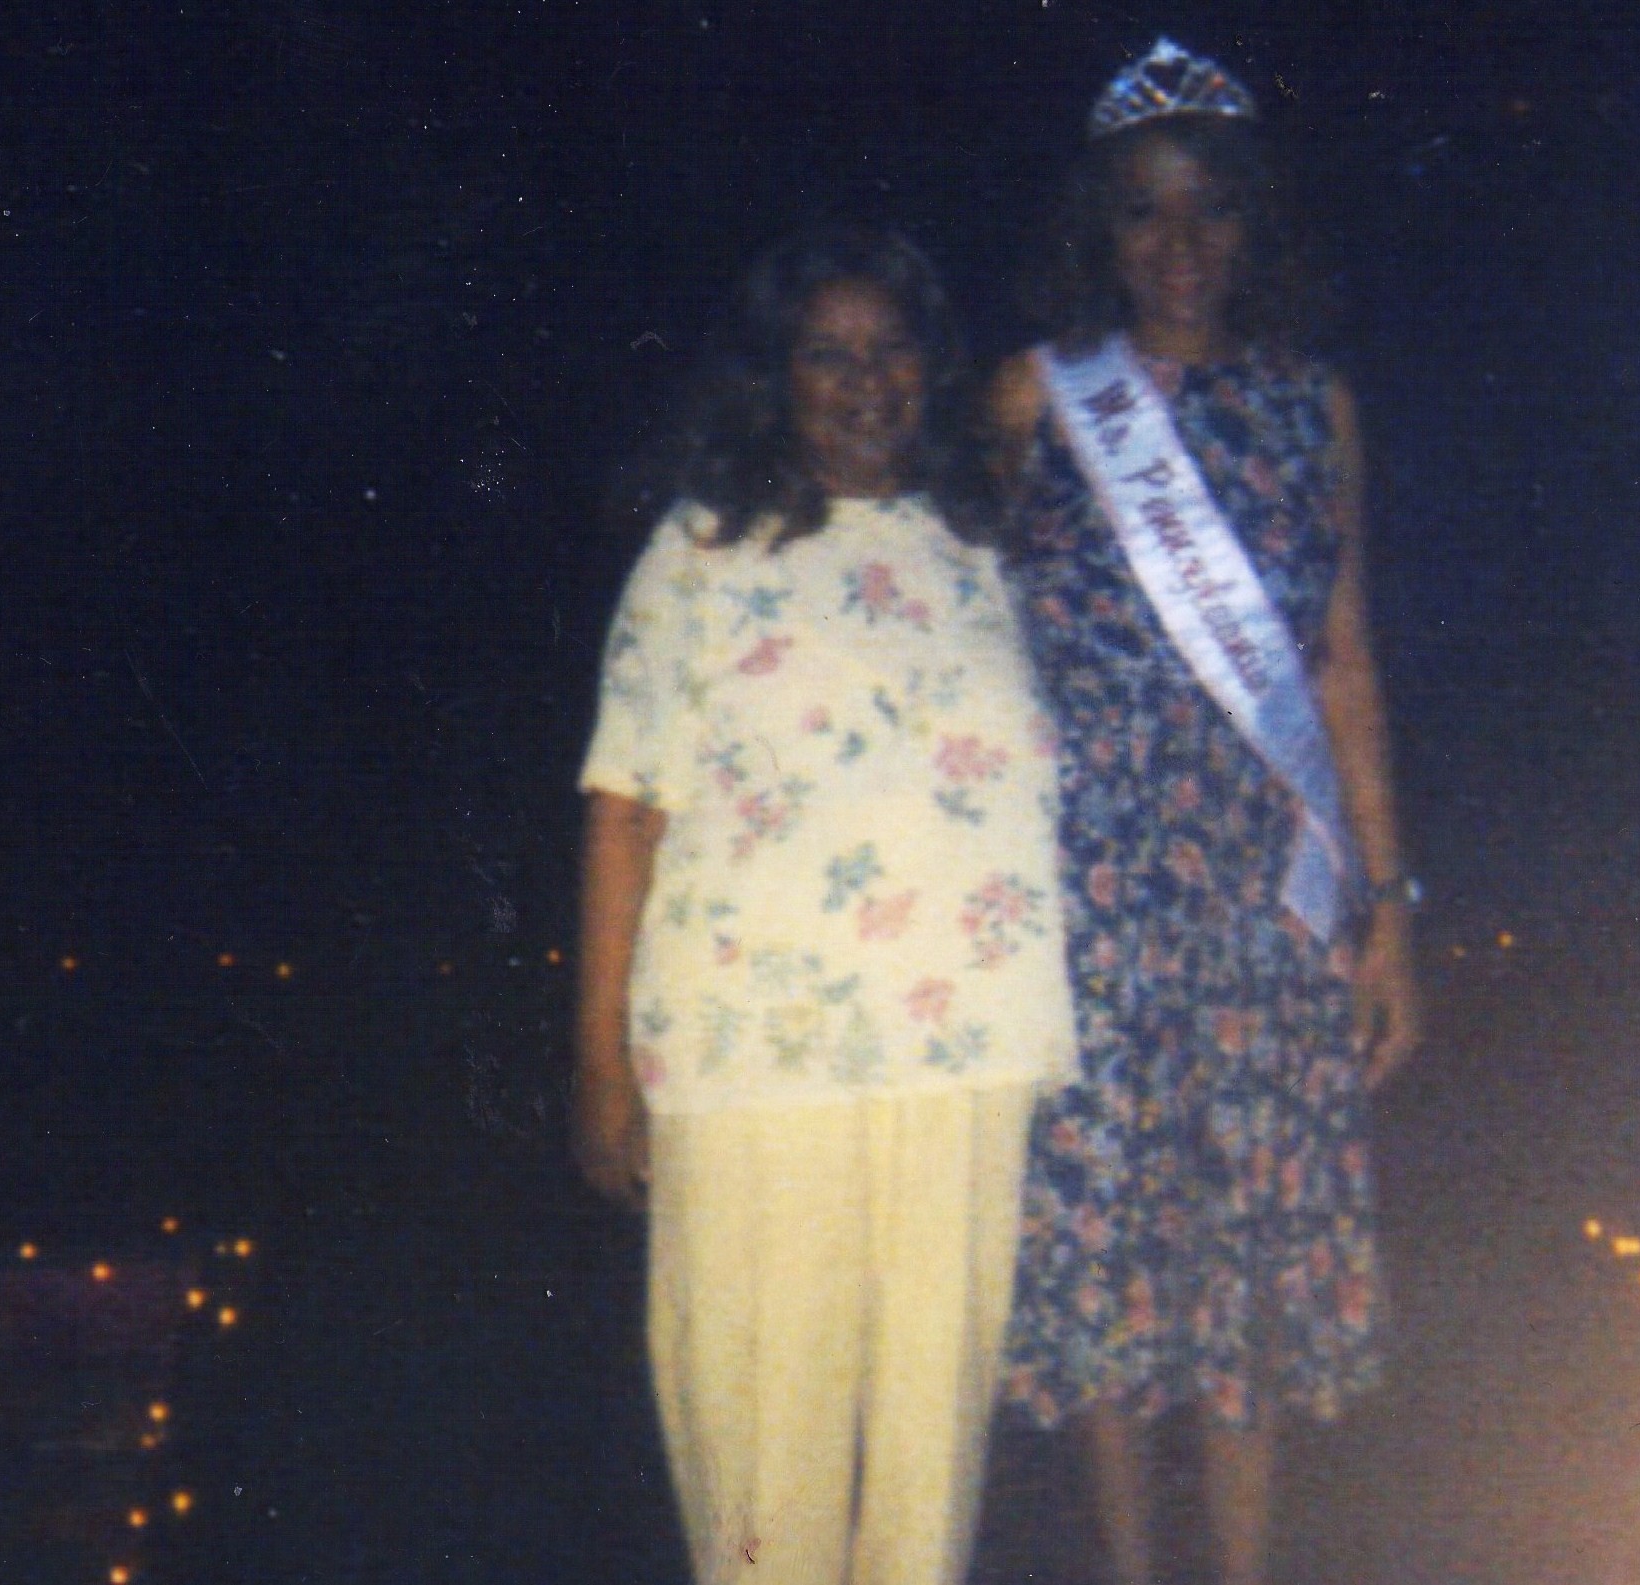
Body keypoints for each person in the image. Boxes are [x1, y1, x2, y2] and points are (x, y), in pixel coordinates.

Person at [571, 225, 1078, 1585]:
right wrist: (597, 1063)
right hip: (751, 1062)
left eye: (892, 345)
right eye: (827, 352)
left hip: (961, 1056)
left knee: (926, 1478)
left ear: (934, 365)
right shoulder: (700, 552)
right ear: (775, 376)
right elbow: (623, 808)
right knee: (759, 1464)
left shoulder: (983, 547)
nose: (865, 378)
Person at [987, 41, 1424, 1585]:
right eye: (1142, 218)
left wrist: (1389, 916)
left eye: (1208, 215)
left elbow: (1343, 661)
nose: (1178, 251)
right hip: (1093, 888)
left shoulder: (1316, 408)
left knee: (1246, 1259)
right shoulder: (1038, 400)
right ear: (1098, 232)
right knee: (1112, 1257)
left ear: (1251, 226)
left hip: (1265, 895)